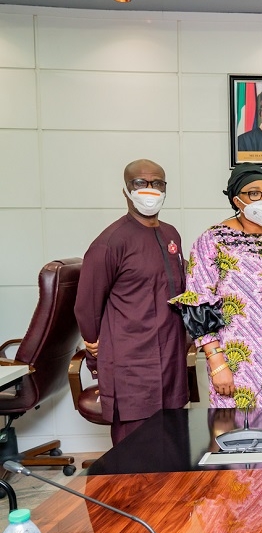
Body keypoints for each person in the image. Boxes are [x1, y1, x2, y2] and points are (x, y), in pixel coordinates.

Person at [170, 163, 262, 409]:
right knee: (241, 436)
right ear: (236, 199)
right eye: (253, 193)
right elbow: (198, 303)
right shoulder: (213, 240)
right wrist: (216, 362)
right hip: (237, 362)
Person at [74, 159, 189, 444]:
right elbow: (86, 306)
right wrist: (95, 351)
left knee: (173, 444)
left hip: (171, 358)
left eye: (157, 183)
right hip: (132, 364)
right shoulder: (110, 243)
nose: (149, 190)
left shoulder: (170, 234)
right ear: (126, 190)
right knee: (136, 452)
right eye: (141, 183)